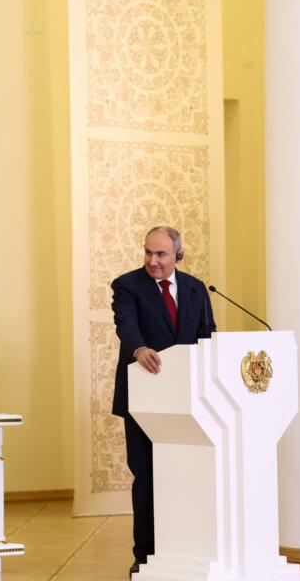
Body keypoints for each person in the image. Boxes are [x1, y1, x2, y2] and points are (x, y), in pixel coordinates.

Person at [110, 226, 215, 577]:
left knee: (187, 475)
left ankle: (187, 548)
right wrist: (139, 348)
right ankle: (145, 555)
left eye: (161, 254)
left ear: (178, 255)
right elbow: (126, 325)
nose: (152, 261)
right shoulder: (127, 285)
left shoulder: (196, 289)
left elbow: (207, 337)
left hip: (188, 402)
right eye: (148, 252)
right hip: (145, 399)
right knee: (147, 476)